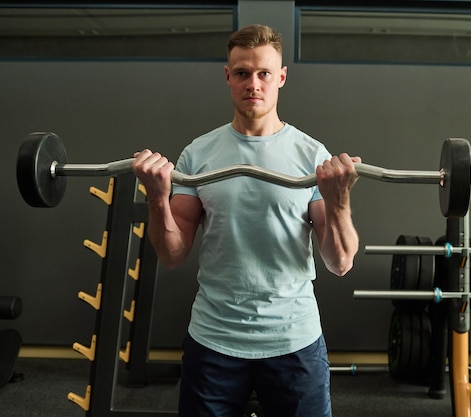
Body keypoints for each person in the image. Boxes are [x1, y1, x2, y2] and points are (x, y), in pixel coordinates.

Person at [132, 24, 361, 417]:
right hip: (214, 339)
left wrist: (338, 200)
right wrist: (157, 198)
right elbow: (171, 255)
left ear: (281, 77)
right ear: (227, 77)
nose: (253, 83)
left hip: (293, 340)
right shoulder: (198, 154)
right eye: (242, 73)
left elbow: (340, 262)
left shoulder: (312, 156)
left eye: (264, 73)